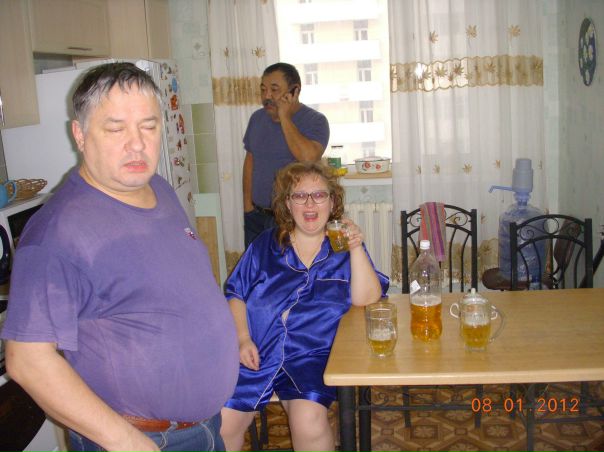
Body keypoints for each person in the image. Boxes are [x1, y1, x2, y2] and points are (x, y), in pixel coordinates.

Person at [1, 63, 239, 452]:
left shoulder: (159, 188)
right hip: (144, 439)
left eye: (149, 126)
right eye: (116, 129)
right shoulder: (56, 233)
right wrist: (127, 442)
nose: (137, 144)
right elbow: (27, 361)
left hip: (203, 426)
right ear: (80, 135)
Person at [221, 161, 389, 452]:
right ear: (288, 204)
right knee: (223, 422)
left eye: (319, 195)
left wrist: (355, 247)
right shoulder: (264, 245)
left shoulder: (342, 247)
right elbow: (236, 293)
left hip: (312, 357)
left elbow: (367, 298)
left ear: (332, 202)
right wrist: (242, 339)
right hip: (257, 351)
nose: (310, 203)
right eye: (299, 196)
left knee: (308, 420)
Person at [243, 62, 330, 247]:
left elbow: (308, 158)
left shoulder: (315, 121)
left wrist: (284, 116)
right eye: (263, 89)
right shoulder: (257, 119)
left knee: (291, 265)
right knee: (256, 265)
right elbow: (250, 161)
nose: (267, 96)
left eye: (274, 90)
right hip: (256, 215)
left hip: (293, 218)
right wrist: (247, 207)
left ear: (294, 91)